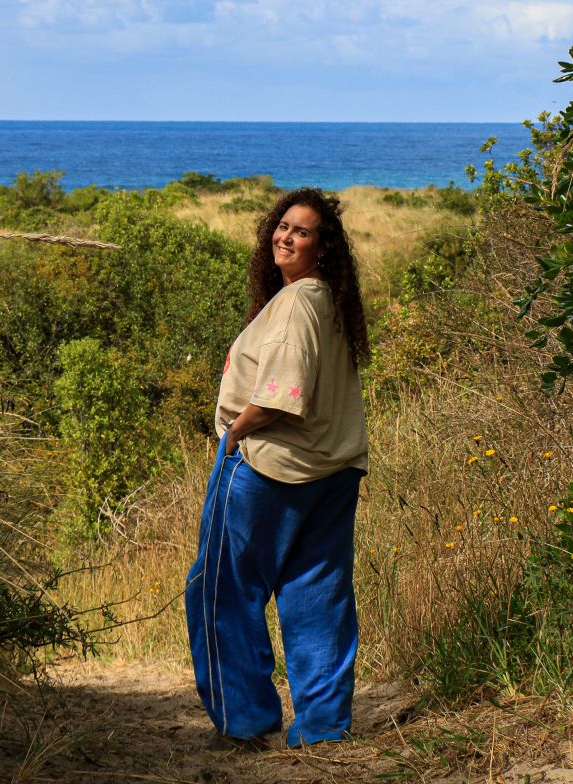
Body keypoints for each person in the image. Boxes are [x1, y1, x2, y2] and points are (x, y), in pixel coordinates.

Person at [185, 187, 369, 748]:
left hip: (270, 470)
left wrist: (236, 433)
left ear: (323, 248)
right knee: (317, 593)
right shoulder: (326, 302)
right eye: (282, 226)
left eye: (302, 231)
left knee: (220, 591)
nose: (285, 236)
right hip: (333, 470)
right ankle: (322, 727)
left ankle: (245, 722)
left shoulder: (295, 305)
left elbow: (282, 394)